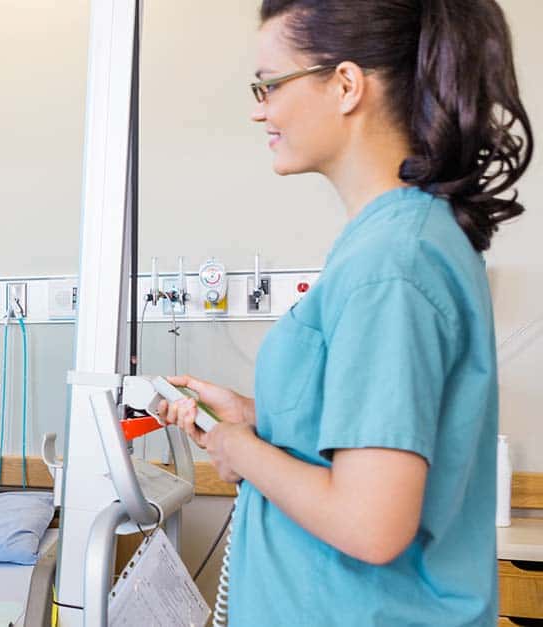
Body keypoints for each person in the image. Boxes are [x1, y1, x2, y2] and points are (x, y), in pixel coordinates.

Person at [157, 1, 532, 624]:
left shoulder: (392, 264)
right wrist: (256, 417)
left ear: (346, 84)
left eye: (269, 85)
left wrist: (236, 448)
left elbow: (371, 523)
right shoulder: (394, 242)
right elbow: (373, 438)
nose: (259, 108)